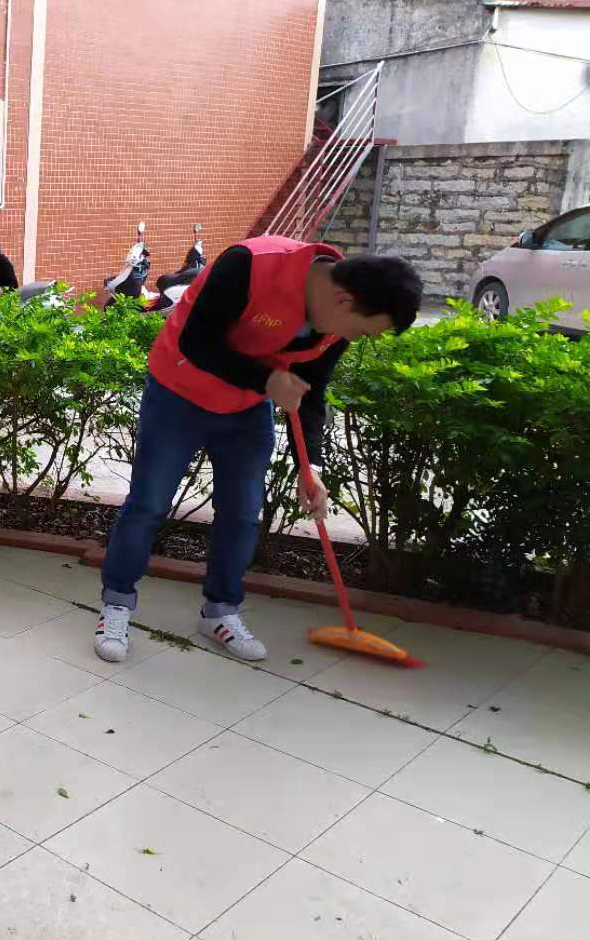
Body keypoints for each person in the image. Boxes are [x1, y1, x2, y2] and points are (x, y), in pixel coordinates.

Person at [94, 235, 422, 664]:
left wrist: (312, 466)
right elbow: (197, 342)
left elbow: (310, 392)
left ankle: (220, 612)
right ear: (344, 300)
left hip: (245, 408)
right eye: (362, 331)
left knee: (243, 513)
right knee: (149, 505)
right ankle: (117, 605)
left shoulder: (336, 325)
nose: (354, 339)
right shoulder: (251, 264)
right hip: (178, 392)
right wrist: (268, 381)